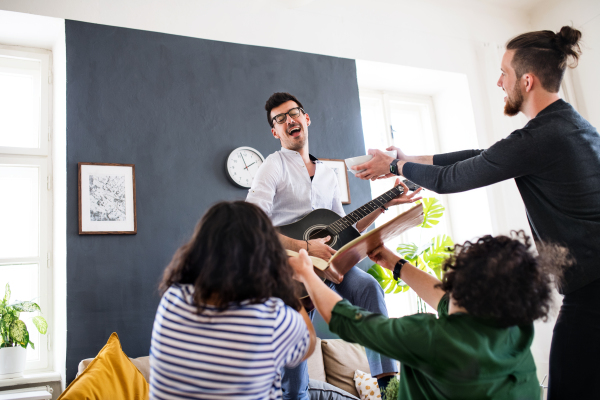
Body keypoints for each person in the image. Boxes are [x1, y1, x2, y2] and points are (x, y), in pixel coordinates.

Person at [351, 26, 600, 399]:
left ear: (527, 81)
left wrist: (396, 169)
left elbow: (454, 178)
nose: (499, 82)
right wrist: (405, 159)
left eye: (504, 72)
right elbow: (480, 157)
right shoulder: (569, 127)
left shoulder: (541, 138)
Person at [246, 92, 422, 399]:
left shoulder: (327, 173)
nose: (290, 120)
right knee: (294, 374)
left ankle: (387, 385)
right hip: (287, 273)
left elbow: (345, 229)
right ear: (275, 131)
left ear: (306, 118)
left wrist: (383, 205)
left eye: (294, 113)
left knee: (368, 287)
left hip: (329, 265)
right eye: (280, 119)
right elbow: (253, 223)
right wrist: (305, 246)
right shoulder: (272, 167)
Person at [290, 231, 572, 399]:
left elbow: (348, 319)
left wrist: (305, 273)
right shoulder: (514, 327)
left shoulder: (432, 338)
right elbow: (444, 299)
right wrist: (394, 263)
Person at [149, 201, 316, 400]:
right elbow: (308, 344)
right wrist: (296, 278)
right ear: (264, 253)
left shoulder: (173, 299)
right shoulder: (270, 317)